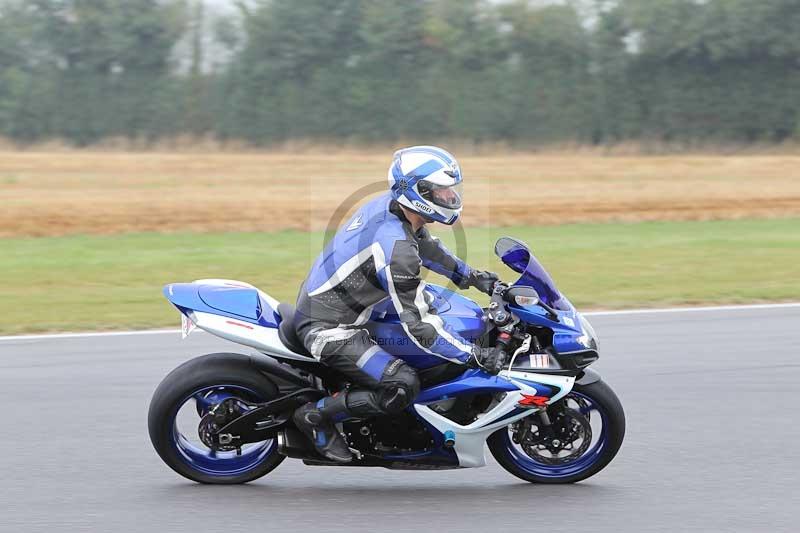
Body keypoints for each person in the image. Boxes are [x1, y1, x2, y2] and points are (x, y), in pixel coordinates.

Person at [292, 145, 506, 462]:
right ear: (416, 192)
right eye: (440, 190)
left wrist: (474, 278)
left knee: (448, 313)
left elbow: (429, 249)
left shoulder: (394, 209)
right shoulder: (397, 250)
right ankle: (316, 416)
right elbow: (420, 328)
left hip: (349, 307)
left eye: (451, 190)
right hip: (328, 327)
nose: (450, 197)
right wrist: (474, 355)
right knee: (402, 383)